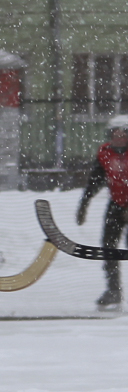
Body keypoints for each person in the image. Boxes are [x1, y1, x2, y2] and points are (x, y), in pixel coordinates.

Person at [75, 114, 128, 312]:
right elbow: (96, 180)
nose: (119, 138)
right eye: (115, 134)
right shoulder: (105, 153)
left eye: (124, 134)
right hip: (116, 205)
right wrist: (84, 203)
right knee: (109, 247)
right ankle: (113, 289)